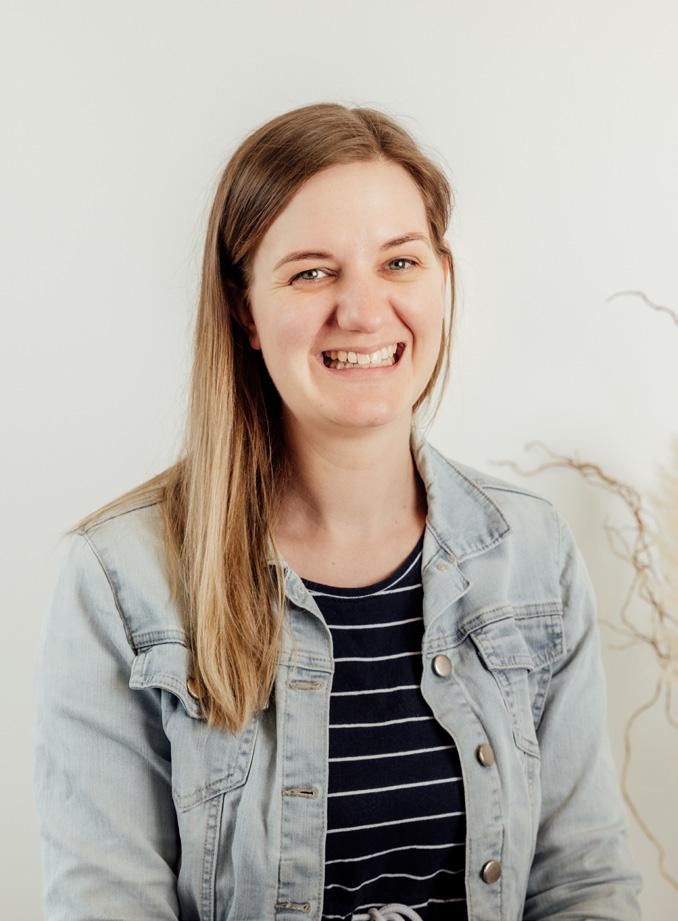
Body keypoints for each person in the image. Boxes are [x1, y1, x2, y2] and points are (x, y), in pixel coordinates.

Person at [32, 102, 642, 921]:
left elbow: (583, 885)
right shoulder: (121, 581)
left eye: (400, 262)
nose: (362, 310)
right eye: (312, 272)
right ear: (245, 309)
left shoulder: (531, 552)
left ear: (443, 279)